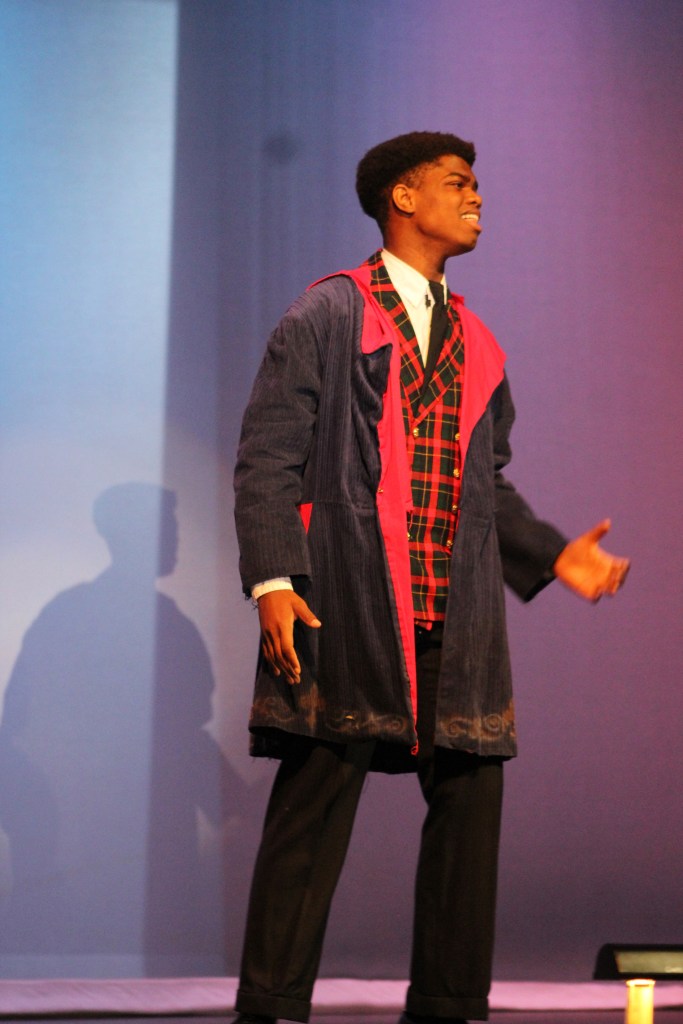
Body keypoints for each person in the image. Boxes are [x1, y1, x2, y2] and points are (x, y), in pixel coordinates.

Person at [232, 131, 629, 1024]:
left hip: (456, 611)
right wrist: (274, 581)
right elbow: (268, 457)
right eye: (457, 183)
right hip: (349, 602)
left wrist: (551, 553)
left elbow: (486, 481)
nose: (476, 197)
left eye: (475, 185)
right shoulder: (329, 314)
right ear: (403, 199)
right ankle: (270, 1009)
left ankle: (450, 1008)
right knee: (312, 811)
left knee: (467, 808)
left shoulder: (475, 341)